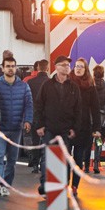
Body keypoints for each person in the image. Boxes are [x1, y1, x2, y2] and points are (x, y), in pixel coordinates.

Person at [33, 56, 82, 194]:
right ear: (56, 67)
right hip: (49, 127)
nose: (67, 67)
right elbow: (39, 106)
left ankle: (62, 185)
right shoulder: (47, 85)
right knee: (47, 158)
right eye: (63, 64)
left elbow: (78, 109)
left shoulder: (73, 87)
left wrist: (75, 128)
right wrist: (39, 125)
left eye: (68, 65)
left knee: (64, 159)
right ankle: (44, 184)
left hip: (66, 129)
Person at [0, 55, 33, 195]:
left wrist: (28, 120)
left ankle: (6, 185)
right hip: (0, 129)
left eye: (13, 66)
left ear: (16, 68)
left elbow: (29, 104)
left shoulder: (24, 86)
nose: (11, 69)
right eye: (8, 66)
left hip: (16, 129)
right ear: (3, 68)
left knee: (12, 160)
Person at [69, 58, 102, 194]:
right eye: (76, 66)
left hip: (83, 127)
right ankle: (64, 182)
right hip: (68, 125)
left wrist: (97, 128)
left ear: (85, 69)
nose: (78, 68)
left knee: (78, 158)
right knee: (65, 157)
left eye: (81, 67)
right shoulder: (68, 82)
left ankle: (75, 185)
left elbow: (95, 108)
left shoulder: (90, 86)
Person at [25, 59, 50, 174]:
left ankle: (35, 164)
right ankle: (43, 163)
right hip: (48, 117)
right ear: (48, 68)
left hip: (34, 115)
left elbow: (28, 101)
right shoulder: (51, 82)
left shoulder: (30, 82)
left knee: (35, 140)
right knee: (46, 141)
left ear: (38, 68)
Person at [91, 64, 105, 173]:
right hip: (102, 120)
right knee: (98, 141)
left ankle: (87, 162)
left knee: (88, 141)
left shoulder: (90, 88)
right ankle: (97, 163)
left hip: (90, 119)